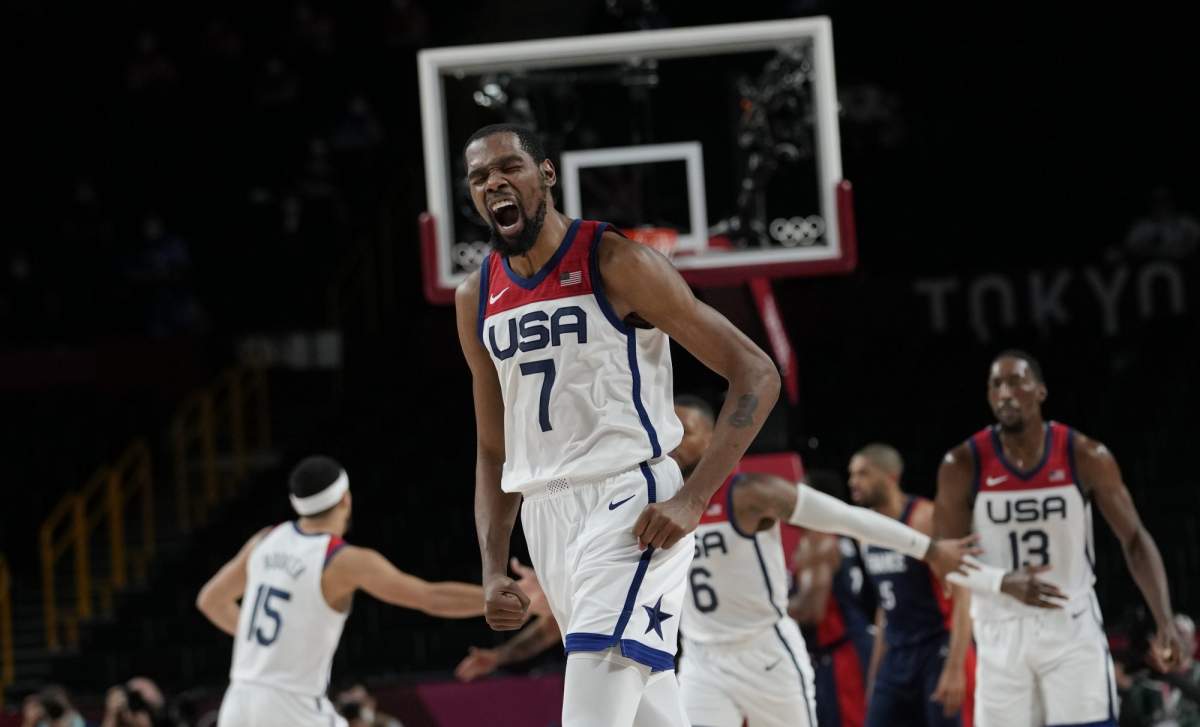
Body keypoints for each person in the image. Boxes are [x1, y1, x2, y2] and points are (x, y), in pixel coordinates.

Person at [455, 123, 781, 727]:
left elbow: (756, 374)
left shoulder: (615, 261)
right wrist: (494, 566)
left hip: (630, 506)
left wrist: (693, 498)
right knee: (646, 715)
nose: (494, 183)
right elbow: (493, 447)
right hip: (544, 517)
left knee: (591, 714)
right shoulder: (476, 296)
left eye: (509, 168)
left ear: (546, 175)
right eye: (479, 177)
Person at [455, 395, 976, 727]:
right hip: (702, 659)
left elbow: (842, 518)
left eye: (688, 429)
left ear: (713, 437)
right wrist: (530, 622)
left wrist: (929, 549)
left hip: (766, 650)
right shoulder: (641, 503)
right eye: (670, 427)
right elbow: (600, 607)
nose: (676, 438)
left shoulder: (749, 493)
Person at [935, 349, 1188, 727]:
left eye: (1016, 382)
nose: (1005, 393)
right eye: (996, 385)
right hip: (999, 631)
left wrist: (1164, 619)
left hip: (1069, 626)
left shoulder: (1084, 455)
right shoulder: (962, 464)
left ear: (1040, 391)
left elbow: (1135, 539)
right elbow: (944, 562)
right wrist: (1001, 582)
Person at [197, 456, 510, 727]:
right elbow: (430, 597)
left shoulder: (265, 539)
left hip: (238, 703)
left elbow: (211, 601)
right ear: (345, 499)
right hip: (293, 708)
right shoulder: (341, 559)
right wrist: (509, 597)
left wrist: (275, 645)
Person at [848, 444, 975, 727]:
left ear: (891, 476)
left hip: (936, 648)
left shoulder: (925, 519)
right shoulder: (864, 532)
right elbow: (885, 606)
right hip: (896, 653)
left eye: (863, 474)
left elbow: (963, 597)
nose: (853, 482)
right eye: (852, 474)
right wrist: (875, 674)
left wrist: (955, 668)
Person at [790, 503, 875, 727]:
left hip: (842, 653)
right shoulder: (835, 537)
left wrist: (770, 609)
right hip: (848, 645)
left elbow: (812, 611)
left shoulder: (818, 543)